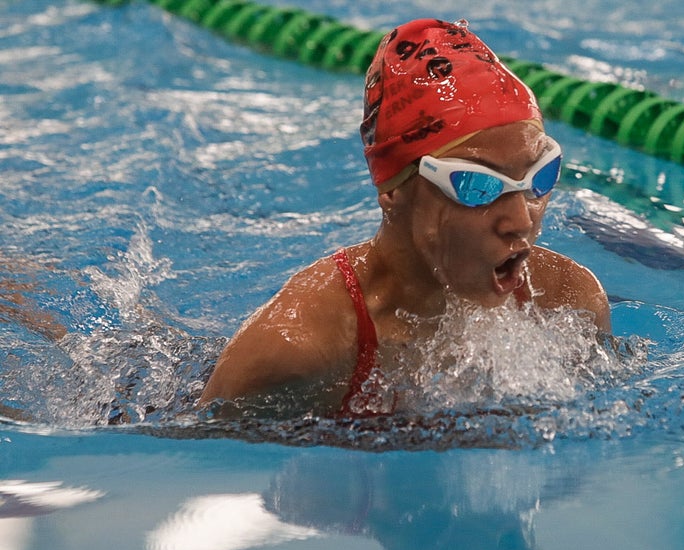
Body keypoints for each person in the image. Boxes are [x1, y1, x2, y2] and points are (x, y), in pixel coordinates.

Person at [198, 18, 611, 419]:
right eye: (476, 185)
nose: (521, 220)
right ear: (392, 189)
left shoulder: (568, 303)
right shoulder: (298, 348)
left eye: (540, 175)